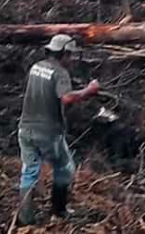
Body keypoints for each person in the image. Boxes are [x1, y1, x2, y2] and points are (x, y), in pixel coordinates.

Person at [16, 34, 100, 226]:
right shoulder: (60, 73)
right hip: (48, 133)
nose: (71, 60)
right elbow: (66, 98)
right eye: (70, 55)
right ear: (63, 54)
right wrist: (89, 90)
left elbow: (45, 94)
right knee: (64, 168)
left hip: (25, 129)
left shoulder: (36, 67)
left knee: (29, 171)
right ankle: (59, 210)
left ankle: (25, 218)